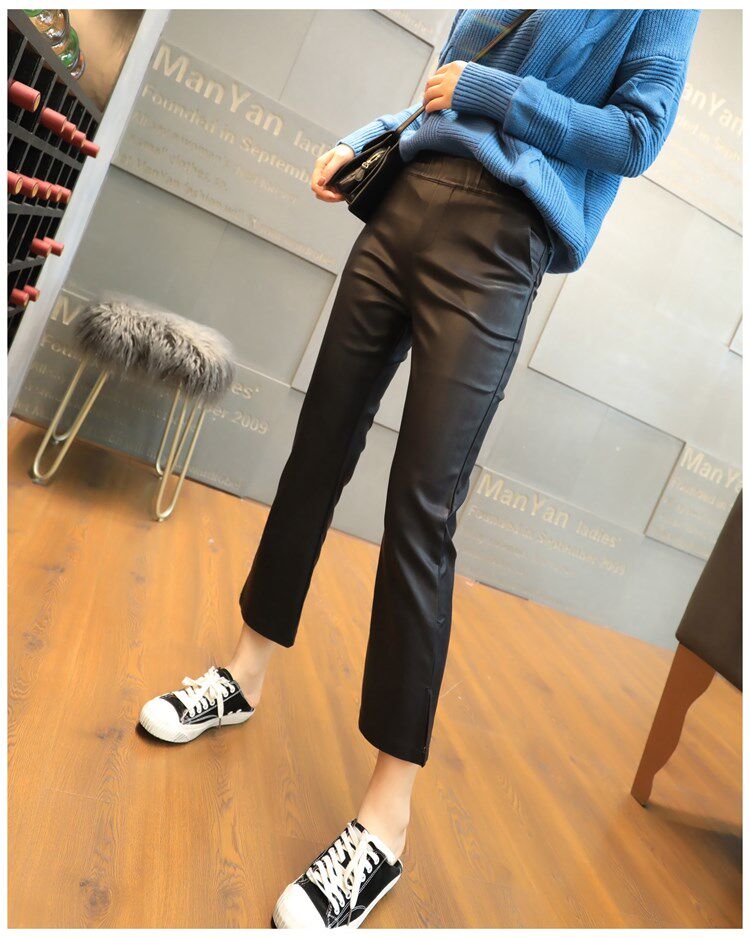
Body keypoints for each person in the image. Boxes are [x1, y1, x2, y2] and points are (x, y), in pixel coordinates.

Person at [139, 8, 700, 929]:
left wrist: (494, 93)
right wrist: (368, 138)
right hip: (404, 203)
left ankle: (386, 823)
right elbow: (444, 87)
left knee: (422, 509)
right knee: (317, 451)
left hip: (502, 238)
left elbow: (635, 135)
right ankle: (242, 675)